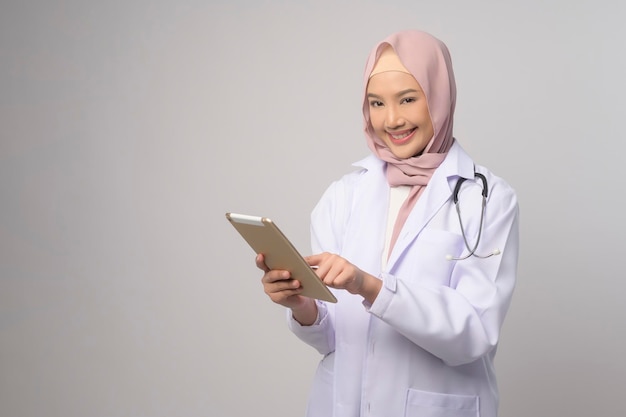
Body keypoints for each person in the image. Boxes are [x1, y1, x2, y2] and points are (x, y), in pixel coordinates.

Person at [256, 29, 519, 417]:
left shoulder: (487, 199)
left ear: (440, 97)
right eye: (376, 103)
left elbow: (473, 333)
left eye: (408, 99)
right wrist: (303, 306)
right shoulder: (343, 195)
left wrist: (371, 286)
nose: (391, 119)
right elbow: (333, 337)